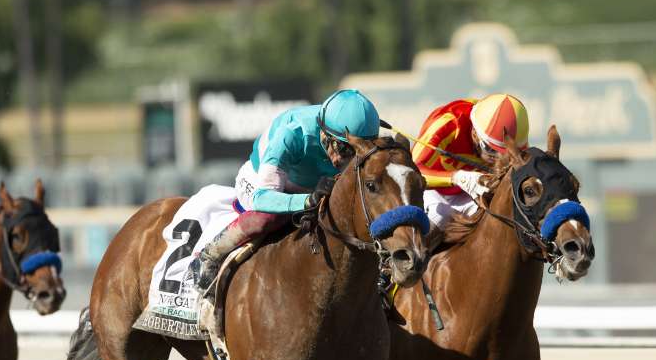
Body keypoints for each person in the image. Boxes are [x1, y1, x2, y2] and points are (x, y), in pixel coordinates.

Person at [191, 88, 381, 295]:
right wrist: (308, 201)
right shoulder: (292, 133)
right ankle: (210, 256)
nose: (341, 161)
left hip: (313, 185)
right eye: (342, 149)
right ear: (324, 132)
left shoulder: (357, 136)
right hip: (261, 183)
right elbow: (262, 198)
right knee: (270, 218)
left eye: (353, 152)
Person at [410, 93, 529, 237]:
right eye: (491, 149)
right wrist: (458, 178)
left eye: (505, 154)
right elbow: (412, 172)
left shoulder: (516, 138)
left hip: (468, 193)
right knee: (441, 216)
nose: (497, 159)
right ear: (474, 133)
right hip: (431, 189)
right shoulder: (450, 123)